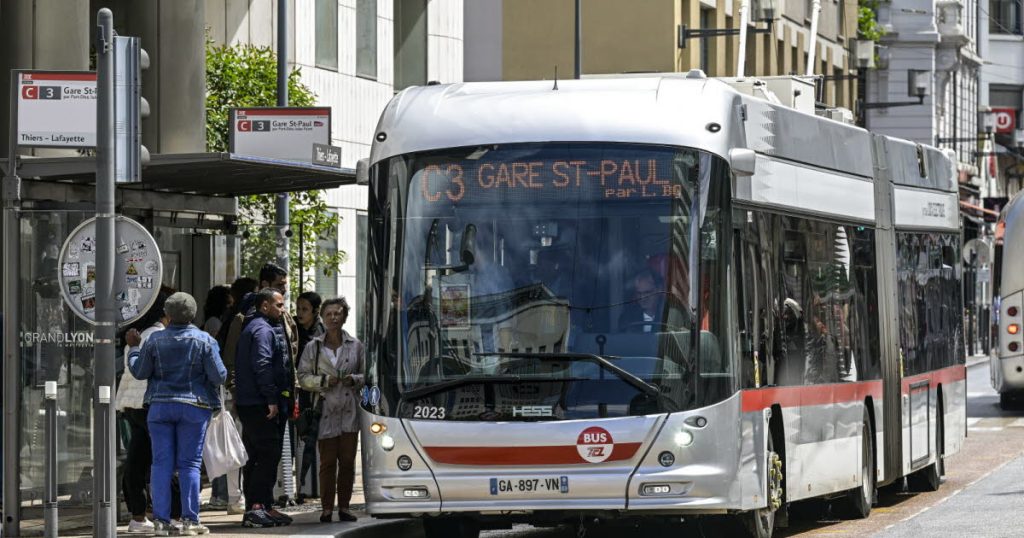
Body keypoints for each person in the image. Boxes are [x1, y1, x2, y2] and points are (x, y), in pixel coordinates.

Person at [127, 292, 227, 537]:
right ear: (193, 314)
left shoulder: (154, 340)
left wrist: (133, 349)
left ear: (167, 315)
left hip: (159, 407)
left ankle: (161, 522)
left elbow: (140, 372)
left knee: (160, 464)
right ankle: (190, 521)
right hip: (194, 406)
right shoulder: (204, 340)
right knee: (190, 464)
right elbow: (219, 376)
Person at [115, 293, 181, 533]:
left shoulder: (137, 336)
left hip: (132, 405)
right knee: (166, 460)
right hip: (154, 404)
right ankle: (174, 515)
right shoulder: (160, 337)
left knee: (137, 460)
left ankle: (138, 515)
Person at [296, 297, 364, 523]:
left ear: (345, 317)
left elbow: (368, 375)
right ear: (322, 317)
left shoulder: (356, 345)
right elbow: (303, 377)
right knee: (327, 462)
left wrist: (353, 379)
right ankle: (326, 508)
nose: (334, 318)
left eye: (338, 313)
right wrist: (324, 381)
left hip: (348, 410)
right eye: (329, 314)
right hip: (324, 410)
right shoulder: (313, 347)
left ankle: (344, 506)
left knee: (347, 461)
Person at [234, 288, 294, 528]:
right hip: (259, 403)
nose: (283, 309)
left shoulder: (257, 327)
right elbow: (262, 363)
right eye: (279, 305)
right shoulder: (261, 330)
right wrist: (271, 397)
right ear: (265, 306)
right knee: (268, 453)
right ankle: (257, 507)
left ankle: (262, 506)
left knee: (256, 455)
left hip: (252, 401)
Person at [294, 291, 325, 502]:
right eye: (298, 308)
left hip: (315, 392)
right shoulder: (293, 329)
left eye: (305, 309)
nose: (300, 313)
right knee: (302, 438)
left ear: (315, 311)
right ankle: (303, 487)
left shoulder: (321, 333)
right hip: (297, 391)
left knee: (316, 438)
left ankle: (314, 487)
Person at [619, 268, 666, 333]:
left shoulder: (669, 315)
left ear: (659, 289)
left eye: (647, 292)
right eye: (639, 293)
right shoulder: (627, 317)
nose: (643, 298)